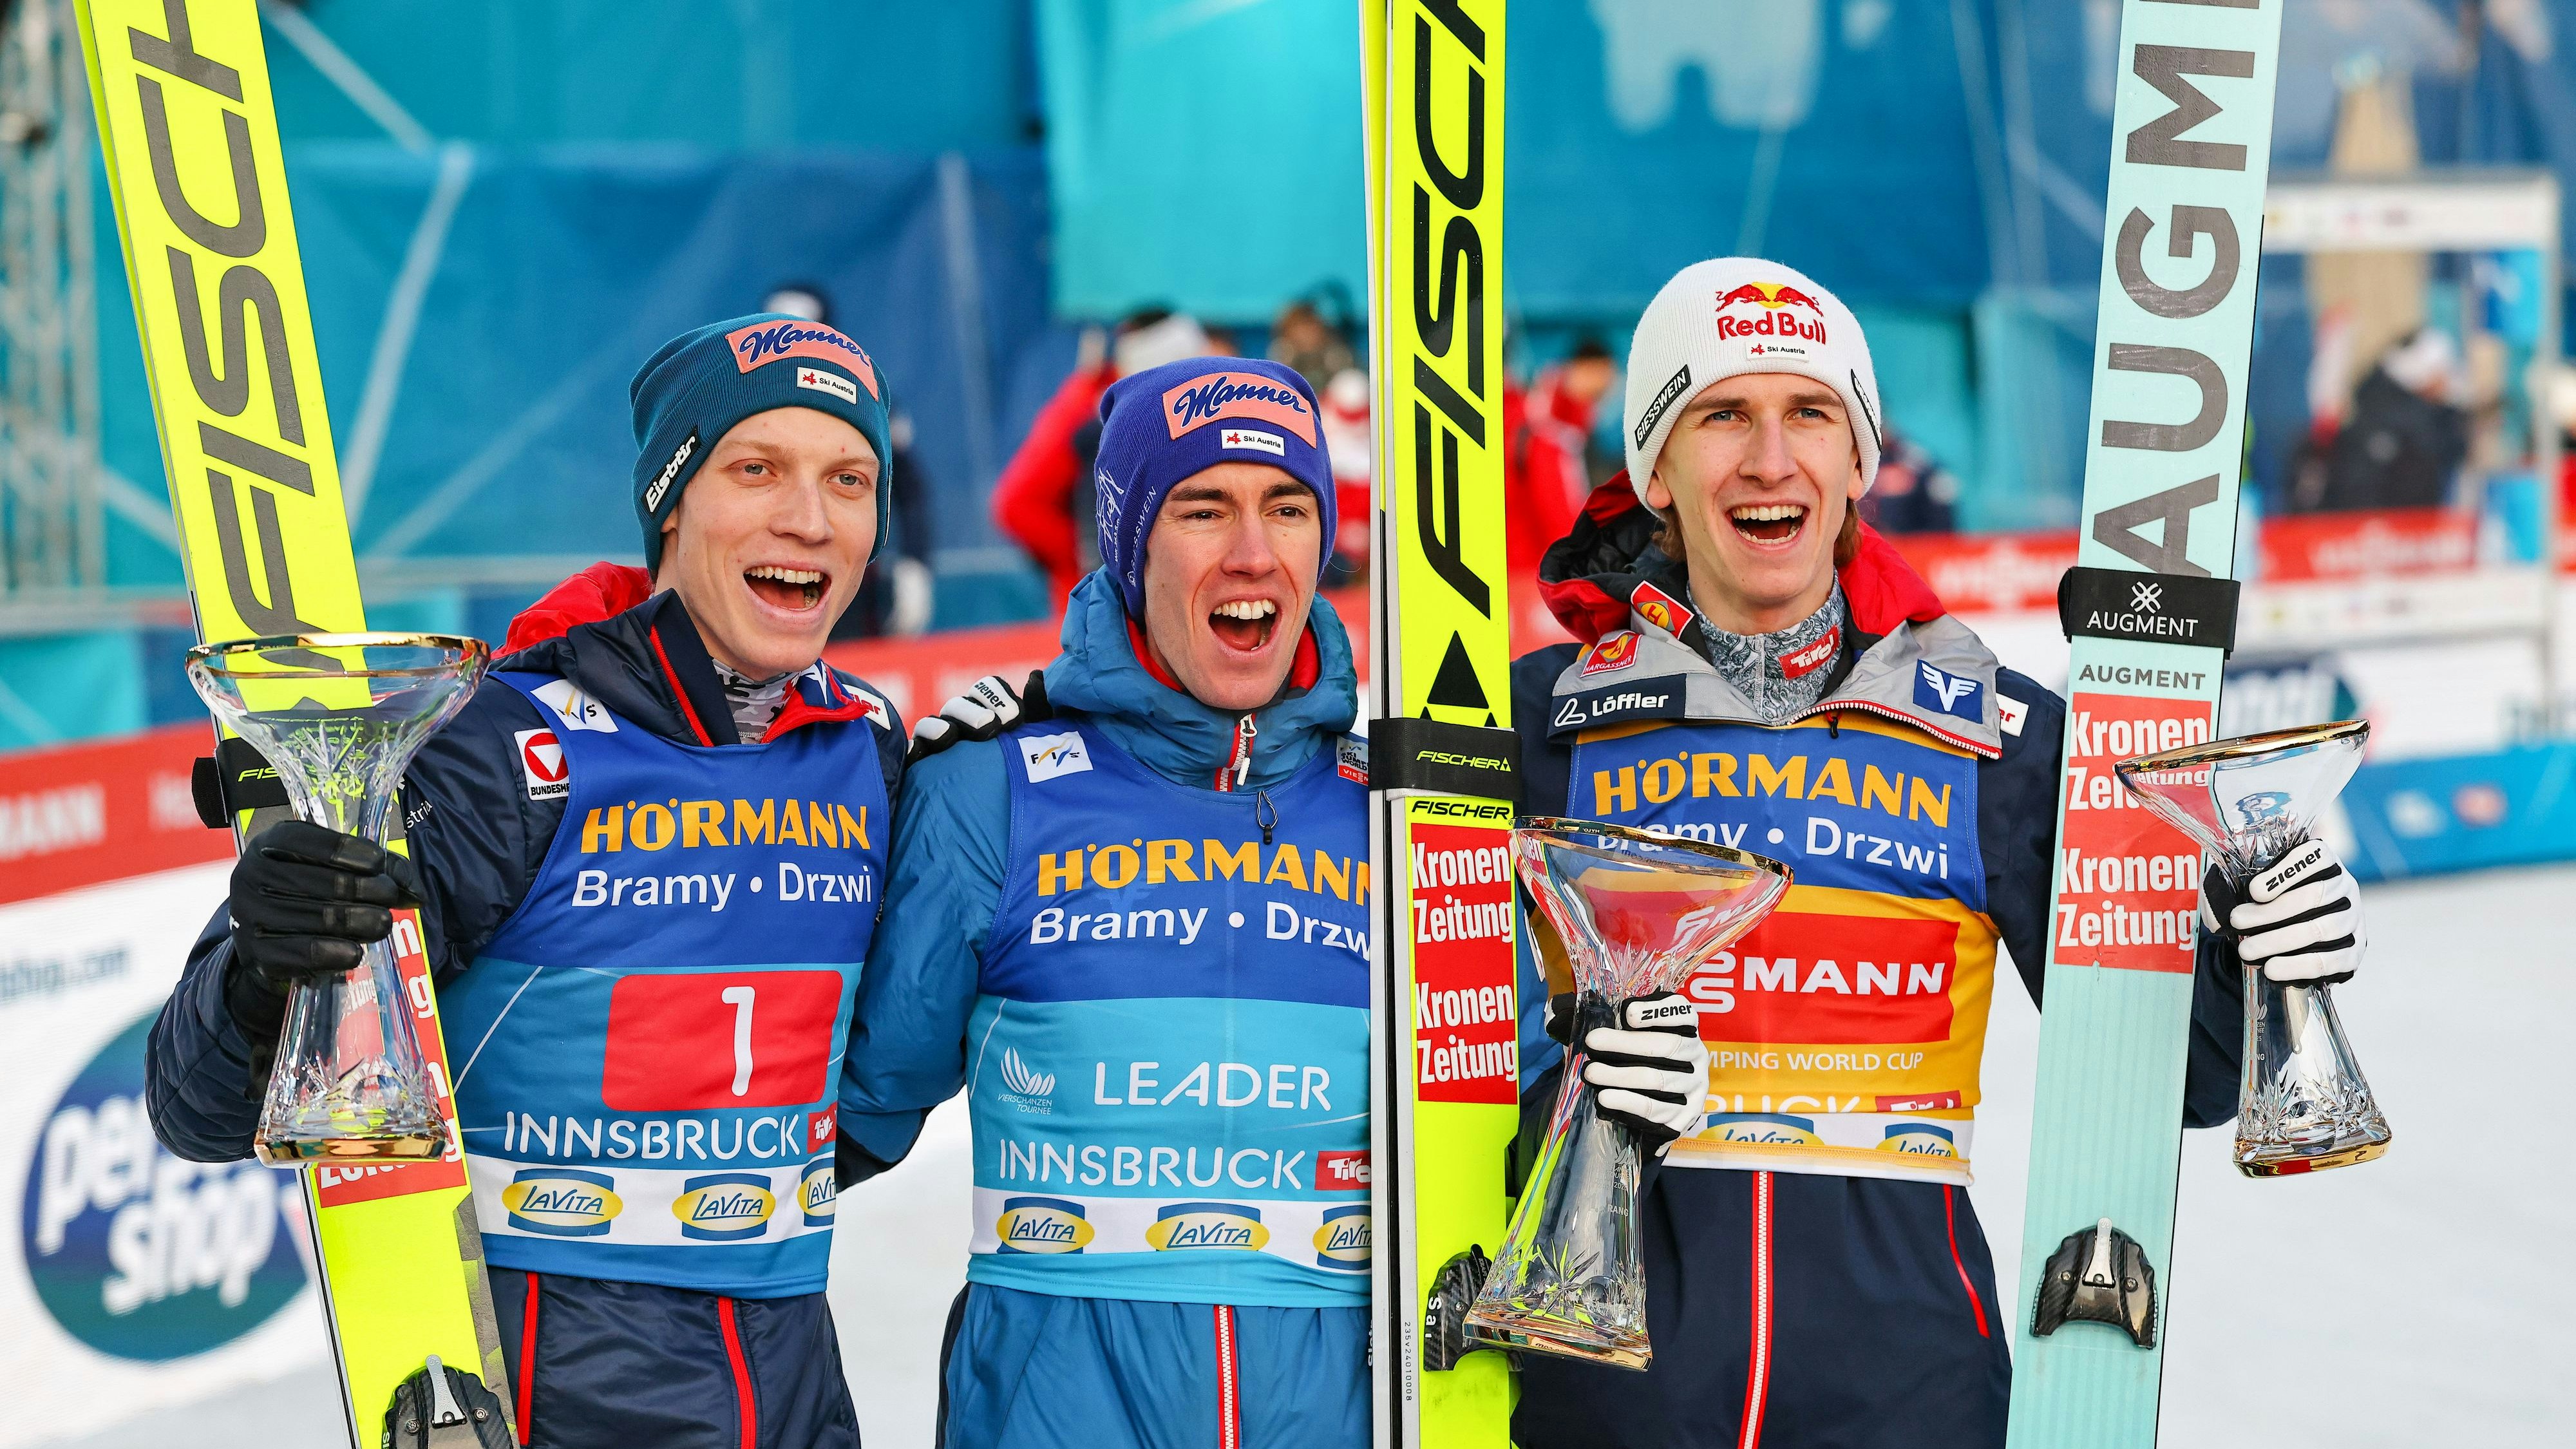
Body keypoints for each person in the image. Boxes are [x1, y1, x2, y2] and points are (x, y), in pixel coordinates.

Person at [1506, 259, 2369, 1449]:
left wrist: (2255, 954)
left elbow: (2181, 1079)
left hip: (1907, 1394)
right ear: (1653, 469)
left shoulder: (1994, 738)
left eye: (1812, 413)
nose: (1770, 459)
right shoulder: (1537, 727)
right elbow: (1426, 1054)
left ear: (1861, 460)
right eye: (1722, 415)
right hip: (1612, 1389)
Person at [146, 314, 911, 1448]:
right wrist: (264, 971)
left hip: (795, 1397)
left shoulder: (868, 750)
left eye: (849, 479)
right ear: (672, 502)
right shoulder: (501, 748)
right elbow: (196, 1106)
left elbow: (872, 1087)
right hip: (551, 1403)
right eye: (757, 470)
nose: (810, 517)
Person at [843, 356, 1371, 1448]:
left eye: (1287, 506)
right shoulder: (988, 789)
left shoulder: (1402, 815)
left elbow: (1510, 1119)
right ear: (1128, 546)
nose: (1253, 552)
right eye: (1202, 507)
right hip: (1054, 1412)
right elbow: (843, 1109)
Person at [991, 308, 1211, 609]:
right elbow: (1016, 503)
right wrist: (1097, 557)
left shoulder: (1110, 396)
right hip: (1102, 596)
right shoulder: (1092, 406)